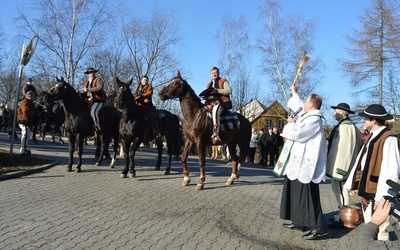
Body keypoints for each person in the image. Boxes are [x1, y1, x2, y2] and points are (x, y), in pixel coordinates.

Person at [344, 104, 400, 241]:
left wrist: (381, 197)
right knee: (371, 226)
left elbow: (391, 171)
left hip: (378, 193)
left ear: (374, 120)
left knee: (381, 229)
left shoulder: (388, 138)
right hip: (369, 190)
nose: (363, 120)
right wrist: (353, 184)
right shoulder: (372, 136)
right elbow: (362, 162)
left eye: (366, 118)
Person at [280, 84, 327, 240]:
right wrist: (294, 92)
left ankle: (317, 226)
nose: (304, 104)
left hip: (307, 165)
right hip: (296, 163)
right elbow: (298, 105)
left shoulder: (314, 119)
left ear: (311, 105)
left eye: (307, 102)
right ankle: (298, 221)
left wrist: (289, 123)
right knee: (294, 191)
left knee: (307, 195)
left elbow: (299, 134)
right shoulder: (307, 115)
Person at [326, 103, 362, 228]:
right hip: (339, 165)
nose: (334, 113)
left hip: (340, 167)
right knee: (339, 191)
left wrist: (342, 169)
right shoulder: (347, 126)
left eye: (335, 111)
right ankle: (342, 214)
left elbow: (347, 150)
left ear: (341, 112)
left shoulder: (346, 128)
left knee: (341, 191)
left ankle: (344, 217)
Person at [205, 67, 232, 144]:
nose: (214, 74)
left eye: (215, 72)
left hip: (221, 102)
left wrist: (217, 91)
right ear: (210, 74)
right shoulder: (209, 84)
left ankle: (216, 133)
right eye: (213, 73)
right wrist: (208, 97)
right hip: (211, 103)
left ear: (218, 73)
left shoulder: (223, 81)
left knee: (215, 111)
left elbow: (229, 90)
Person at [83, 67, 106, 132]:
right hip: (88, 101)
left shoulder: (98, 80)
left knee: (94, 111)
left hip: (98, 100)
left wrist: (89, 89)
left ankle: (97, 127)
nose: (91, 74)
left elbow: (100, 88)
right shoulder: (86, 83)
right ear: (88, 74)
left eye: (92, 72)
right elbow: (85, 92)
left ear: (94, 73)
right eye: (90, 73)